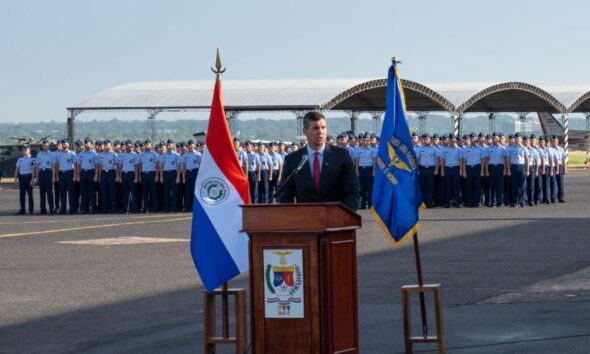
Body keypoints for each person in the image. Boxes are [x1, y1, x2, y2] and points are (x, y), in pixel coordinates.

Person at [277, 111, 360, 211]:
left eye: (323, 127)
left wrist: (346, 215)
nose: (320, 132)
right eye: (315, 128)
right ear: (305, 131)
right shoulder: (293, 160)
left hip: (336, 220)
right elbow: (285, 195)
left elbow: (353, 190)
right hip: (305, 220)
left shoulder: (341, 156)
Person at [355, 133, 377, 209]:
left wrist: (374, 170)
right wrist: (357, 169)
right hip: (361, 169)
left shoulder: (372, 150)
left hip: (369, 169)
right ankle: (363, 204)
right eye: (364, 140)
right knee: (362, 187)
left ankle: (370, 204)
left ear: (369, 141)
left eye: (367, 140)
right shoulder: (358, 149)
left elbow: (374, 161)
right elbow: (357, 160)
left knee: (370, 187)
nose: (365, 141)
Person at [77, 137, 98, 214]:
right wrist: (79, 175)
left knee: (91, 191)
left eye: (88, 143)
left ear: (91, 144)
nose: (86, 144)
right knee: (83, 191)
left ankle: (93, 208)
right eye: (85, 143)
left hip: (90, 172)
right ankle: (84, 208)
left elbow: (96, 165)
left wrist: (95, 175)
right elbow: (79, 165)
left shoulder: (94, 154)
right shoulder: (81, 154)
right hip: (83, 173)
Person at [417, 134, 438, 208]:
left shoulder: (434, 149)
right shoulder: (420, 149)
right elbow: (417, 160)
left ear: (430, 140)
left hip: (431, 169)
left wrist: (436, 170)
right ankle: (424, 204)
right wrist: (418, 170)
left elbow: (437, 160)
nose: (425, 140)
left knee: (430, 187)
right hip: (422, 169)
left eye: (426, 139)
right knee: (423, 187)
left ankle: (429, 203)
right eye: (424, 139)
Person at [98, 139, 118, 213]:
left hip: (111, 172)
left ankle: (113, 208)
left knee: (112, 191)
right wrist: (100, 176)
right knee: (103, 192)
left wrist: (117, 176)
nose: (106, 146)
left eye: (107, 145)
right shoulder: (101, 155)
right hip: (103, 173)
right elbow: (100, 166)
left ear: (110, 145)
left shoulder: (114, 154)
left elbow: (117, 166)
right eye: (105, 145)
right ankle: (105, 209)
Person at [14, 144, 36, 215]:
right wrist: (15, 178)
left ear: (29, 150)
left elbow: (33, 170)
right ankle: (22, 210)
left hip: (29, 177)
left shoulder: (33, 158)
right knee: (22, 196)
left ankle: (31, 210)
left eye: (26, 150)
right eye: (23, 150)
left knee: (30, 196)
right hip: (22, 178)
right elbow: (17, 169)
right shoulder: (20, 158)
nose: (25, 151)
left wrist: (32, 179)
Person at [485, 133, 505, 207]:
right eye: (493, 138)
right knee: (492, 185)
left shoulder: (503, 148)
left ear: (498, 139)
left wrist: (505, 169)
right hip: (491, 167)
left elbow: (505, 160)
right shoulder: (488, 148)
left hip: (500, 167)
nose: (494, 140)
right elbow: (486, 160)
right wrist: (486, 170)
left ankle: (500, 202)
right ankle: (492, 202)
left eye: (496, 138)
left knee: (500, 185)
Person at [35, 139, 55, 214]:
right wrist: (37, 177)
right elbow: (37, 166)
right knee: (42, 193)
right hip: (41, 173)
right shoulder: (39, 154)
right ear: (42, 146)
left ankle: (51, 209)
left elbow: (53, 166)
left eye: (46, 145)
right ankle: (43, 209)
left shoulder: (52, 154)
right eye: (44, 145)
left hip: (48, 173)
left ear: (48, 145)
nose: (45, 146)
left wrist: (53, 176)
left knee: (49, 192)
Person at [182, 140, 201, 212]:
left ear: (194, 145)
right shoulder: (185, 155)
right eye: (189, 145)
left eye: (192, 145)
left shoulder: (198, 154)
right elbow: (183, 167)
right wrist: (183, 177)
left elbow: (200, 165)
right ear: (188, 146)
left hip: (195, 172)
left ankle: (194, 207)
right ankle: (187, 207)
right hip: (188, 173)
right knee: (187, 191)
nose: (190, 146)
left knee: (194, 191)